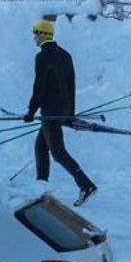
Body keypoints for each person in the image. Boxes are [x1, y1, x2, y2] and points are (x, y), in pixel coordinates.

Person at [24, 17, 97, 205]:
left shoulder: (42, 57)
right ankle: (41, 187)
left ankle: (86, 184)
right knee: (41, 146)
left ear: (43, 34)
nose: (34, 38)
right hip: (61, 110)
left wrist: (31, 111)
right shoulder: (65, 55)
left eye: (35, 34)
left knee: (57, 152)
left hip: (50, 112)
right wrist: (69, 113)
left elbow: (39, 87)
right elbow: (71, 86)